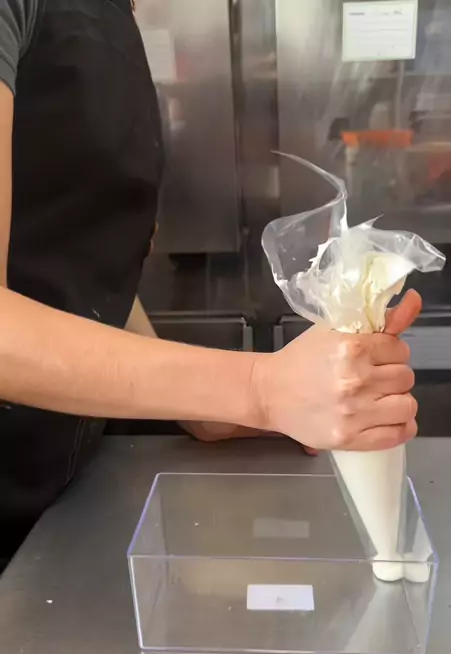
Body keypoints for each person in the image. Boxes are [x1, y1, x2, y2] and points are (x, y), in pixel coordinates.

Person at [0, 0, 419, 571]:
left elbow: (83, 264)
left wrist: (200, 408)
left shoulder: (109, 17)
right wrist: (259, 389)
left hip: (60, 494)